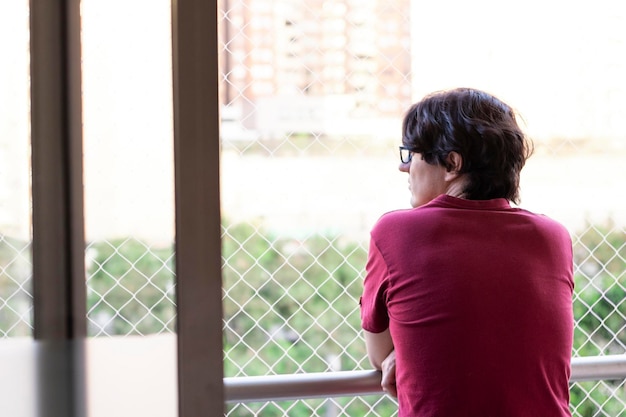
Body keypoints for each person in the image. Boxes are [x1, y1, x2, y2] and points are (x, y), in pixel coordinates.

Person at [360, 88, 574, 416]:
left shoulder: (396, 232)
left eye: (410, 154)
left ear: (452, 163)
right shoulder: (553, 237)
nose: (404, 168)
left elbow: (379, 353)